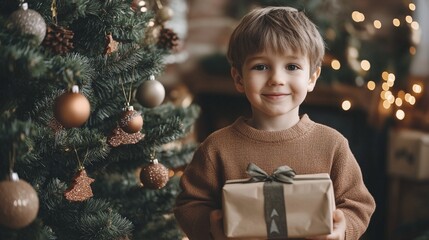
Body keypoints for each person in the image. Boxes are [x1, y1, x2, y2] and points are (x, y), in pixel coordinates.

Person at [174, 6, 376, 240]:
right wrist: (212, 229)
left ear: (312, 78)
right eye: (261, 67)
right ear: (239, 78)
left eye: (292, 67)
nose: (277, 79)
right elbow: (189, 204)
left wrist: (343, 230)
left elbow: (359, 204)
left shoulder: (332, 145)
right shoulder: (216, 147)